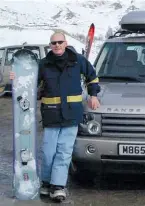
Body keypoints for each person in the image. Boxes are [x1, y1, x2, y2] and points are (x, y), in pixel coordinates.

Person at [10, 32, 101, 202]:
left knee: (64, 152)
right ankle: (46, 182)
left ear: (66, 43)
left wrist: (93, 95)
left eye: (60, 42)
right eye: (53, 43)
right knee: (49, 152)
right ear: (50, 45)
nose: (57, 45)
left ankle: (58, 186)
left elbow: (92, 77)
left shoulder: (78, 60)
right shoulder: (43, 64)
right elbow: (29, 85)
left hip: (72, 114)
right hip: (51, 114)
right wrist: (17, 78)